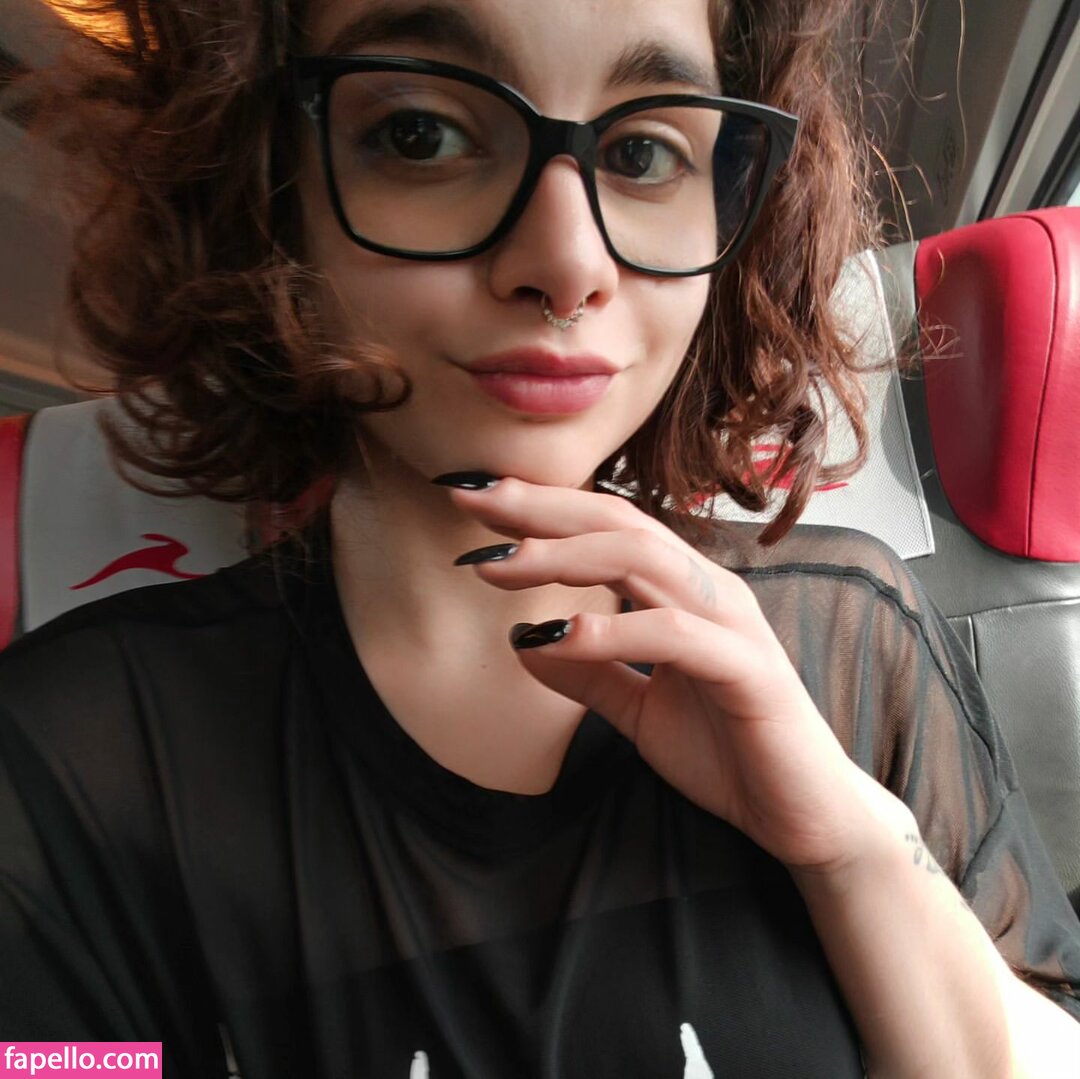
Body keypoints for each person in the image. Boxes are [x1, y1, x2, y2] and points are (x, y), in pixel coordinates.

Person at [2, 0, 1079, 1076]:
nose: (568, 262)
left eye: (646, 152)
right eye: (421, 133)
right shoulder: (72, 758)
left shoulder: (851, 634)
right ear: (272, 183)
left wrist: (853, 849)